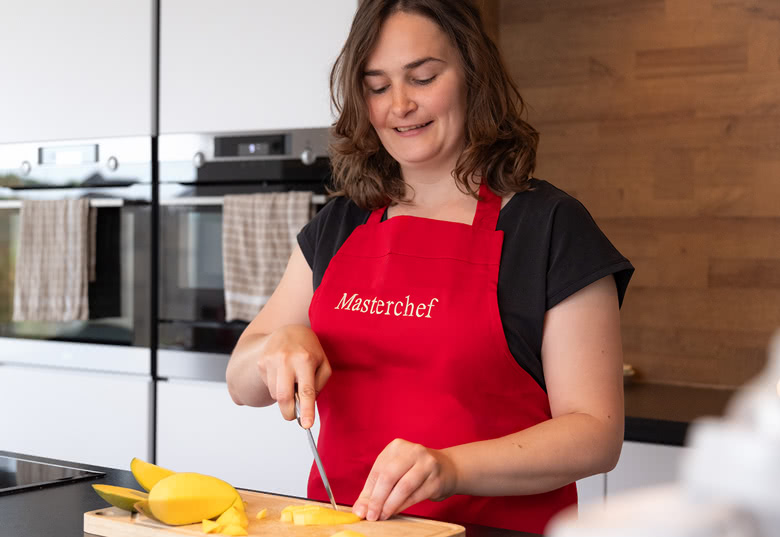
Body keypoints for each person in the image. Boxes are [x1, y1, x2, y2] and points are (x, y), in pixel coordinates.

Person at [226, 0, 634, 533]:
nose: (400, 104)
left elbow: (595, 433)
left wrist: (450, 468)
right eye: (377, 86)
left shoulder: (551, 227)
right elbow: (240, 380)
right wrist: (276, 347)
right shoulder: (341, 224)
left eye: (422, 77)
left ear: (472, 76)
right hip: (341, 527)